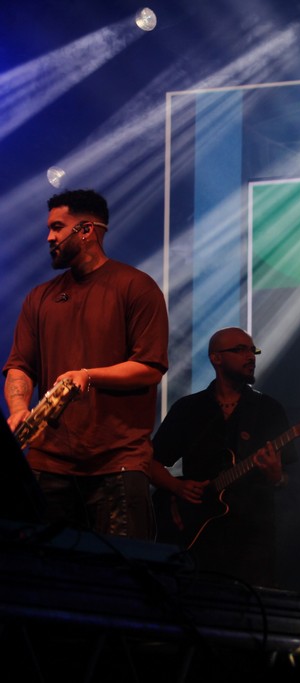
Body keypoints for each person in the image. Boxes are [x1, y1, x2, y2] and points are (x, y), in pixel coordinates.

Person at [3, 189, 168, 539]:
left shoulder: (136, 287)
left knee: (122, 570)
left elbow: (150, 367)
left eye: (57, 227)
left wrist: (88, 376)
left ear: (87, 230)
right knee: (40, 568)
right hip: (47, 463)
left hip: (117, 463)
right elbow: (20, 366)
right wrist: (18, 408)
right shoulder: (39, 298)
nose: (49, 237)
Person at [149, 327, 291, 586]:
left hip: (252, 540)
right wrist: (176, 487)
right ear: (216, 358)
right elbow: (150, 462)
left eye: (253, 350)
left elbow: (292, 478)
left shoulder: (269, 410)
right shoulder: (189, 409)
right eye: (240, 350)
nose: (250, 356)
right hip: (197, 538)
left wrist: (276, 476)